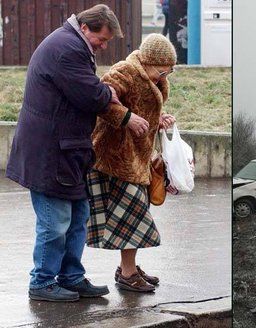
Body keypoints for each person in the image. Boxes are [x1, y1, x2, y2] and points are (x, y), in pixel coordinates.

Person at [6, 4, 149, 302]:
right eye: (103, 39)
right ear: (86, 27)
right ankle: (42, 282)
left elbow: (87, 88)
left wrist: (100, 89)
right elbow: (89, 94)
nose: (104, 45)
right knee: (54, 221)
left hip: (66, 149)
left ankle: (71, 277)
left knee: (77, 216)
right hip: (51, 151)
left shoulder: (69, 43)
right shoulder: (67, 48)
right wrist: (108, 97)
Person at [86, 33, 178, 293]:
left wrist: (159, 119)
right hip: (115, 157)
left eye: (168, 73)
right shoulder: (124, 72)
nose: (163, 77)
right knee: (133, 218)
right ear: (148, 61)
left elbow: (145, 113)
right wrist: (128, 118)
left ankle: (128, 269)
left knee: (132, 217)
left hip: (136, 159)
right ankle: (127, 274)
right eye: (162, 71)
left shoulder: (152, 78)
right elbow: (101, 102)